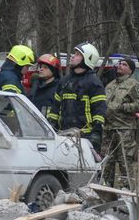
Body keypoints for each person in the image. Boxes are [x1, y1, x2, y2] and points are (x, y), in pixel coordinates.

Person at [47, 42, 106, 152]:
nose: (73, 57)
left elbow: (99, 111)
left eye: (78, 54)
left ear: (87, 59)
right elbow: (54, 109)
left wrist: (96, 134)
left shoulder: (94, 83)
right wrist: (51, 127)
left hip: (85, 137)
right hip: (63, 135)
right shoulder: (64, 81)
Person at [101, 57, 138, 188]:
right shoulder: (110, 85)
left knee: (124, 161)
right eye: (119, 64)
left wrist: (124, 107)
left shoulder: (134, 84)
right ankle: (106, 190)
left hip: (125, 129)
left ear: (130, 69)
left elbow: (137, 104)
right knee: (106, 161)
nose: (120, 66)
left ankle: (126, 194)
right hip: (108, 128)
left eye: (124, 64)